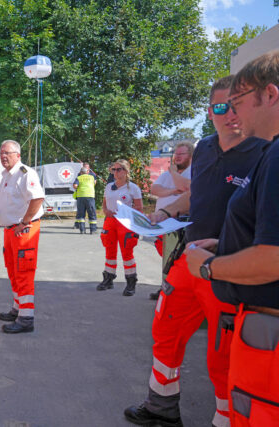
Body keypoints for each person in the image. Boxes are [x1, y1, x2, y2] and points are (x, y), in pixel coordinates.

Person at [124, 76, 270, 427]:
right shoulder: (203, 147)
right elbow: (198, 194)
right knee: (165, 334)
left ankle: (226, 420)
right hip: (185, 263)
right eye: (221, 107)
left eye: (236, 106)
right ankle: (161, 406)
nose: (230, 114)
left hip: (226, 270)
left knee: (222, 357)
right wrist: (167, 211)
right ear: (210, 112)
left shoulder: (263, 150)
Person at [185, 52, 279, 426]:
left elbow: (273, 257)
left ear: (269, 95)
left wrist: (209, 266)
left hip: (267, 336)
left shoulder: (273, 156)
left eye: (238, 103)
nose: (234, 115)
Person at [0, 140, 44, 334]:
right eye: (1, 153)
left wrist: (24, 222)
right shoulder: (6, 176)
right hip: (10, 231)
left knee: (24, 272)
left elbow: (37, 198)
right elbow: (13, 200)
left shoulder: (25, 174)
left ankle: (26, 318)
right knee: (13, 271)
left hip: (23, 231)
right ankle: (17, 309)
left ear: (17, 155)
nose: (3, 156)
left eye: (7, 153)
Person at [149, 141, 193, 300]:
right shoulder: (165, 174)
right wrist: (174, 190)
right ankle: (165, 286)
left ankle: (172, 291)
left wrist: (174, 173)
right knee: (166, 258)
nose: (177, 157)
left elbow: (188, 188)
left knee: (176, 259)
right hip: (162, 225)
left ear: (191, 156)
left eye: (181, 154)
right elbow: (155, 189)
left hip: (180, 225)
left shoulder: (193, 171)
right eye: (176, 154)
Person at [97, 159, 142, 296]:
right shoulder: (109, 186)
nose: (115, 172)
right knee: (109, 250)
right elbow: (104, 204)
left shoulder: (132, 188)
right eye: (113, 169)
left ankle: (130, 282)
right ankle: (108, 278)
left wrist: (130, 217)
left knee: (127, 252)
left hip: (125, 222)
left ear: (126, 171)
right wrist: (105, 211)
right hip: (110, 221)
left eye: (118, 169)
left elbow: (139, 207)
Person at [72, 162, 97, 234]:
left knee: (81, 213)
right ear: (87, 172)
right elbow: (94, 183)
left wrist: (79, 187)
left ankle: (82, 230)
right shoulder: (92, 177)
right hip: (90, 196)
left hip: (81, 196)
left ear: (81, 172)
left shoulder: (79, 177)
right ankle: (93, 230)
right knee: (91, 212)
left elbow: (75, 186)